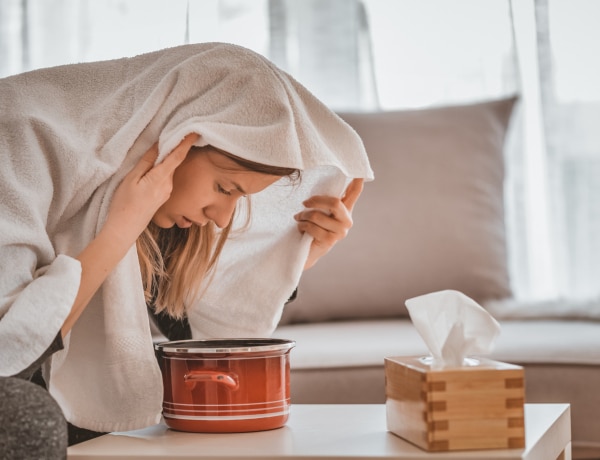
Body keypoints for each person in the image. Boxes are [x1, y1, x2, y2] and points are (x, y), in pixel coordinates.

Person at [0, 42, 373, 457]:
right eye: (224, 188)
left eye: (239, 199)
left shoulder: (156, 211)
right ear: (178, 138)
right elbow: (12, 349)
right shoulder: (18, 135)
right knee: (27, 415)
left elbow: (200, 337)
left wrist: (298, 257)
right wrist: (123, 225)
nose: (220, 217)